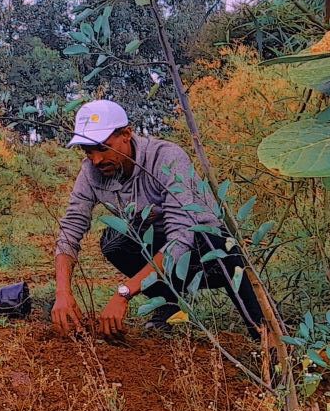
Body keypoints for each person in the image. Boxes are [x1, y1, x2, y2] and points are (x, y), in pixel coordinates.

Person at [50, 100, 264, 339]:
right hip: (158, 244)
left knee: (223, 248)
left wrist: (124, 292)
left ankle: (263, 330)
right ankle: (169, 302)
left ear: (126, 134)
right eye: (87, 151)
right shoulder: (91, 171)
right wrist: (62, 293)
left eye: (102, 147)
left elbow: (181, 237)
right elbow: (71, 228)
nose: (96, 160)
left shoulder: (166, 157)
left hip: (205, 249)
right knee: (114, 243)